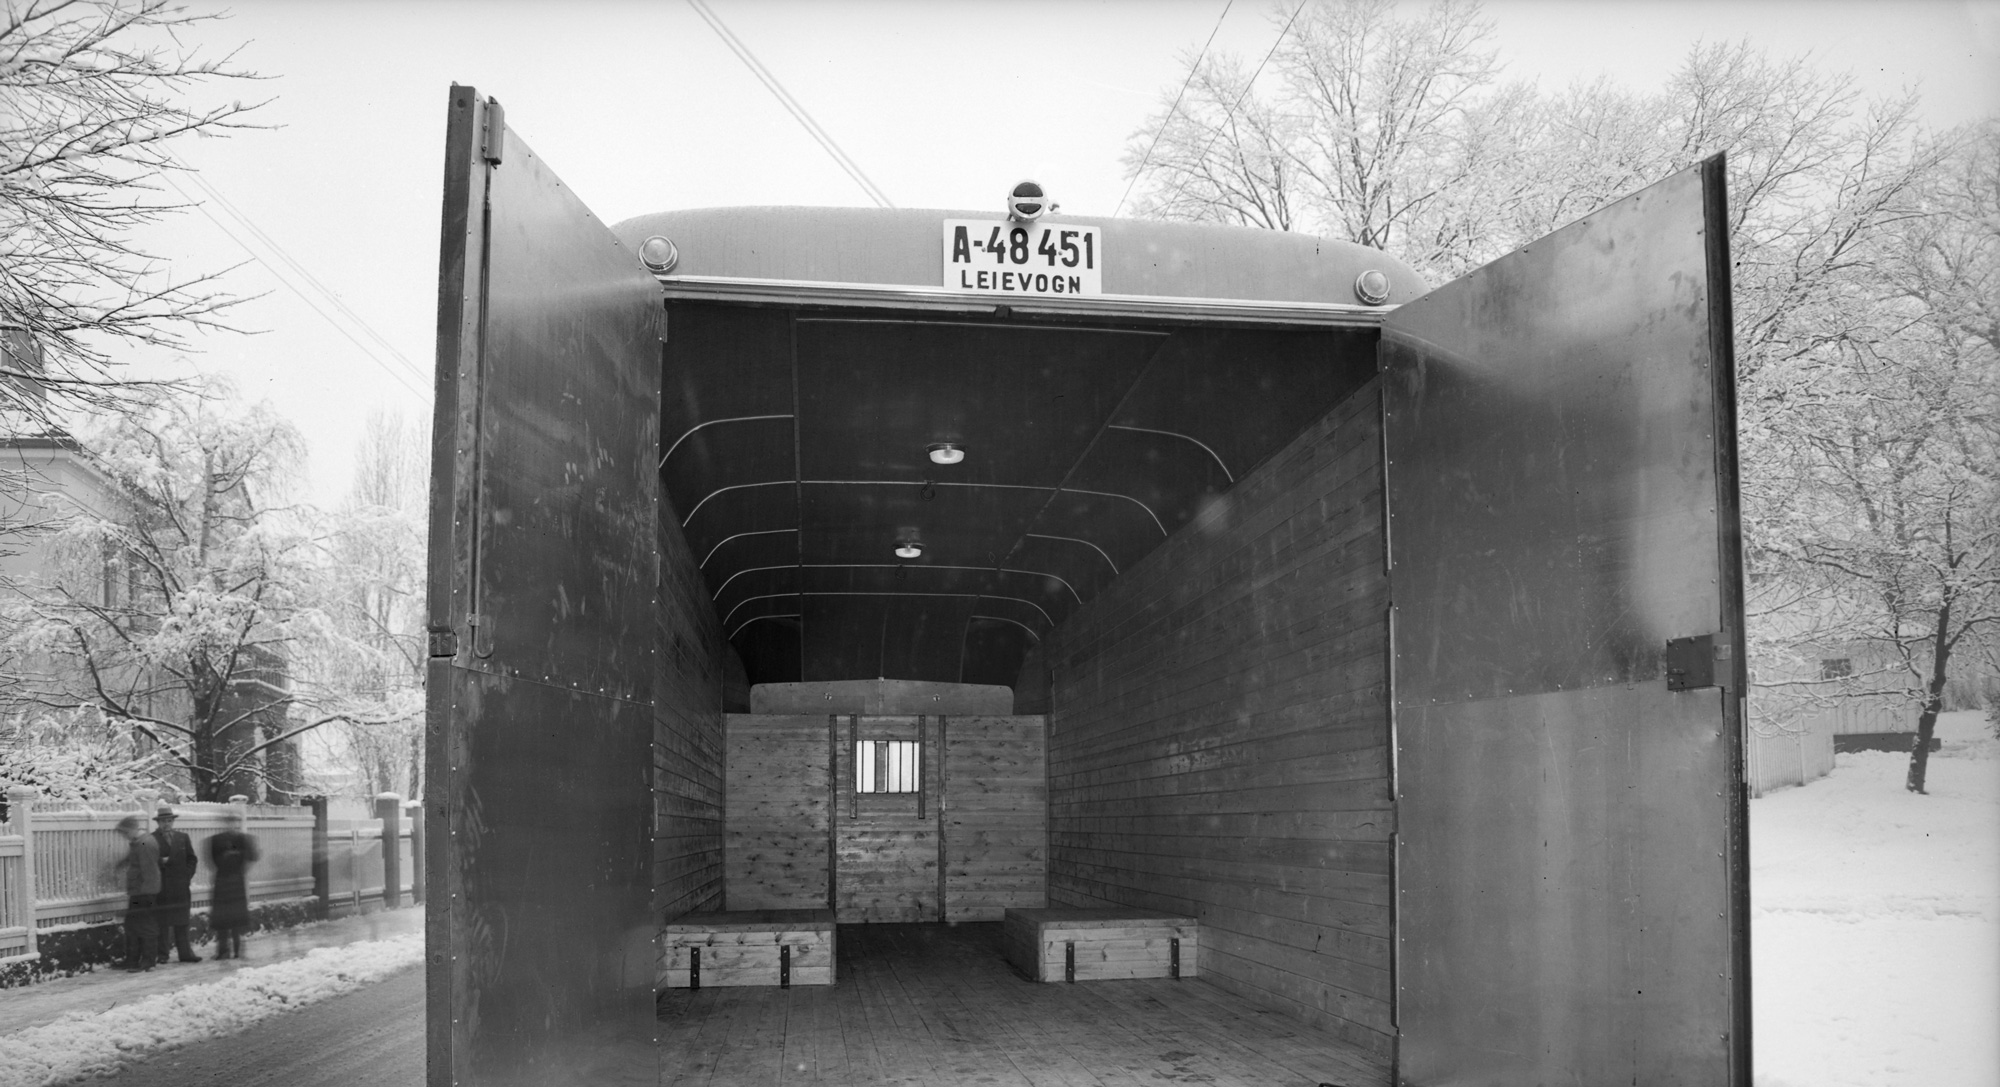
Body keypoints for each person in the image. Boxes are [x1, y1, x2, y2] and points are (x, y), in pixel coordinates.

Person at [206, 809, 260, 960]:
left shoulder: (243, 839)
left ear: (236, 824)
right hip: (222, 880)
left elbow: (253, 857)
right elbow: (212, 861)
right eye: (227, 822)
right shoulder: (215, 840)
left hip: (237, 880)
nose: (230, 825)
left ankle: (237, 950)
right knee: (222, 919)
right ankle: (222, 951)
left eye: (233, 822)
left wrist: (240, 862)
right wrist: (227, 859)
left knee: (236, 918)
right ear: (223, 824)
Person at [151, 806, 202, 963]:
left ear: (173, 821)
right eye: (163, 821)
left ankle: (185, 954)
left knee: (182, 921)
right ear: (158, 823)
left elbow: (192, 858)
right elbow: (148, 861)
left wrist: (186, 875)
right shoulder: (151, 839)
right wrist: (161, 861)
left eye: (169, 820)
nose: (166, 824)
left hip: (180, 886)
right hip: (163, 887)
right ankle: (162, 955)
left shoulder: (182, 837)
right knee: (162, 922)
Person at [111, 815, 160, 971]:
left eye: (125, 833)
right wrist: (120, 865)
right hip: (138, 891)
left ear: (132, 829)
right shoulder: (138, 842)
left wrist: (145, 893)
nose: (124, 836)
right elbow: (134, 859)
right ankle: (132, 960)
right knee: (132, 926)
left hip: (145, 892)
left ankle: (148, 961)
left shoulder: (145, 843)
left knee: (145, 926)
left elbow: (149, 871)